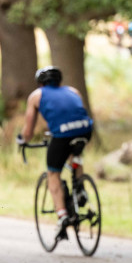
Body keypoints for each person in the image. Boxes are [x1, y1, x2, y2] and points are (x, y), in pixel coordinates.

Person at [17, 66, 94, 240]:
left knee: (53, 172)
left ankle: (62, 216)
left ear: (40, 83)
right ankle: (80, 189)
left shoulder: (36, 96)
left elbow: (28, 131)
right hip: (85, 130)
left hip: (62, 135)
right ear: (60, 80)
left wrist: (23, 140)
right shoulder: (73, 91)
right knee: (75, 156)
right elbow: (73, 113)